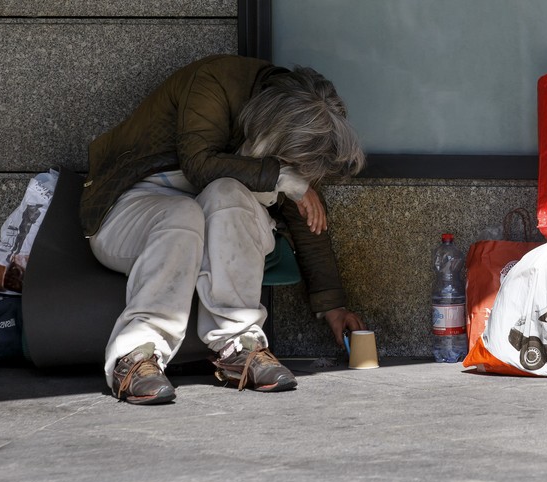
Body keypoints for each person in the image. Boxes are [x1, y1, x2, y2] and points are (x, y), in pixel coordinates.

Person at [79, 54, 367, 404]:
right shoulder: (212, 82)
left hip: (213, 218)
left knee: (228, 192)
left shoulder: (292, 122)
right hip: (130, 211)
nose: (291, 175)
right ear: (271, 132)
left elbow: (306, 215)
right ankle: (136, 355)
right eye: (287, 164)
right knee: (182, 214)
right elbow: (199, 164)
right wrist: (279, 176)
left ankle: (240, 346)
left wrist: (332, 304)